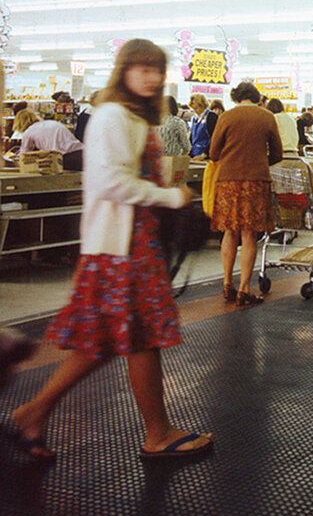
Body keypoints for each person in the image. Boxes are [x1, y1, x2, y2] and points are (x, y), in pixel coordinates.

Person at [10, 39, 212, 462]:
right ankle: (157, 433)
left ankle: (33, 411)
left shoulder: (133, 117)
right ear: (123, 71)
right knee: (138, 337)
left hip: (129, 245)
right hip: (121, 249)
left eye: (157, 69)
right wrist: (171, 197)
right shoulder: (113, 115)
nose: (152, 77)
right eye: (142, 68)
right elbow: (110, 183)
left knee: (104, 342)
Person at [208, 81, 283, 306]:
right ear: (257, 97)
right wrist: (259, 162)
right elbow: (278, 153)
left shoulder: (226, 117)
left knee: (230, 232)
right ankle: (243, 290)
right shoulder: (267, 117)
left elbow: (213, 153)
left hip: (228, 181)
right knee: (249, 235)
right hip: (256, 182)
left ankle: (227, 284)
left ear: (236, 97)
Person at [17, 110, 86, 171]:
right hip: (81, 154)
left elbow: (24, 155)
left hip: (64, 159)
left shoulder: (29, 131)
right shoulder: (52, 123)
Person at [187, 93, 217, 160]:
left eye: (196, 108)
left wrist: (205, 154)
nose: (195, 111)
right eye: (193, 109)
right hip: (194, 154)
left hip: (206, 155)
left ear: (202, 105)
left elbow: (215, 138)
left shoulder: (211, 116)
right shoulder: (194, 118)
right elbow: (192, 137)